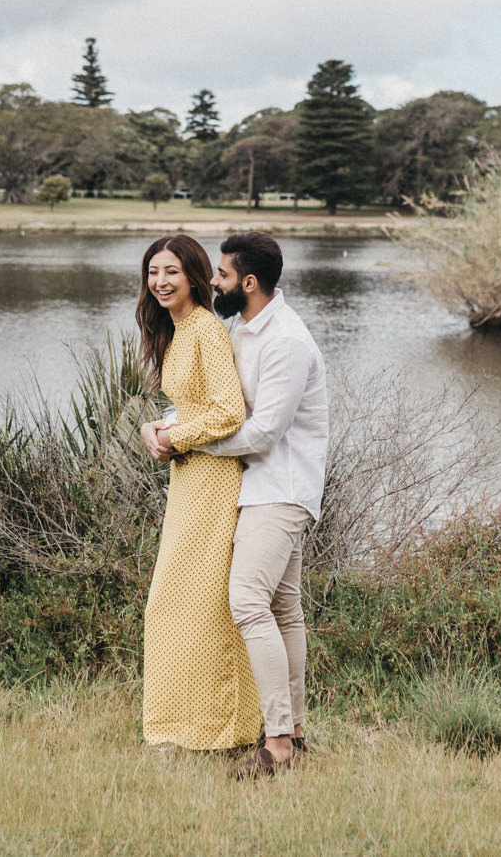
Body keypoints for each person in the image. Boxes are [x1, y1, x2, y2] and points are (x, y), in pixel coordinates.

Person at [151, 231, 328, 779]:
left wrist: (183, 440)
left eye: (222, 275)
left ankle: (275, 744)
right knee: (283, 609)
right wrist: (175, 426)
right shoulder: (245, 329)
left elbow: (264, 431)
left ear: (248, 282)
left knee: (247, 602)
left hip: (281, 489)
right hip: (256, 485)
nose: (215, 283)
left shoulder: (287, 342)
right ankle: (294, 732)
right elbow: (216, 404)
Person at [133, 234, 261, 753]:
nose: (160, 282)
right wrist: (155, 429)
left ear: (193, 275)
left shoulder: (206, 329)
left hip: (213, 481)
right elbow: (192, 405)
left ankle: (220, 728)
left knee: (198, 602)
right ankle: (179, 725)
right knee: (177, 601)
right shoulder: (177, 330)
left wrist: (174, 437)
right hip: (188, 479)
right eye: (153, 272)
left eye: (171, 272)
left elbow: (230, 412)